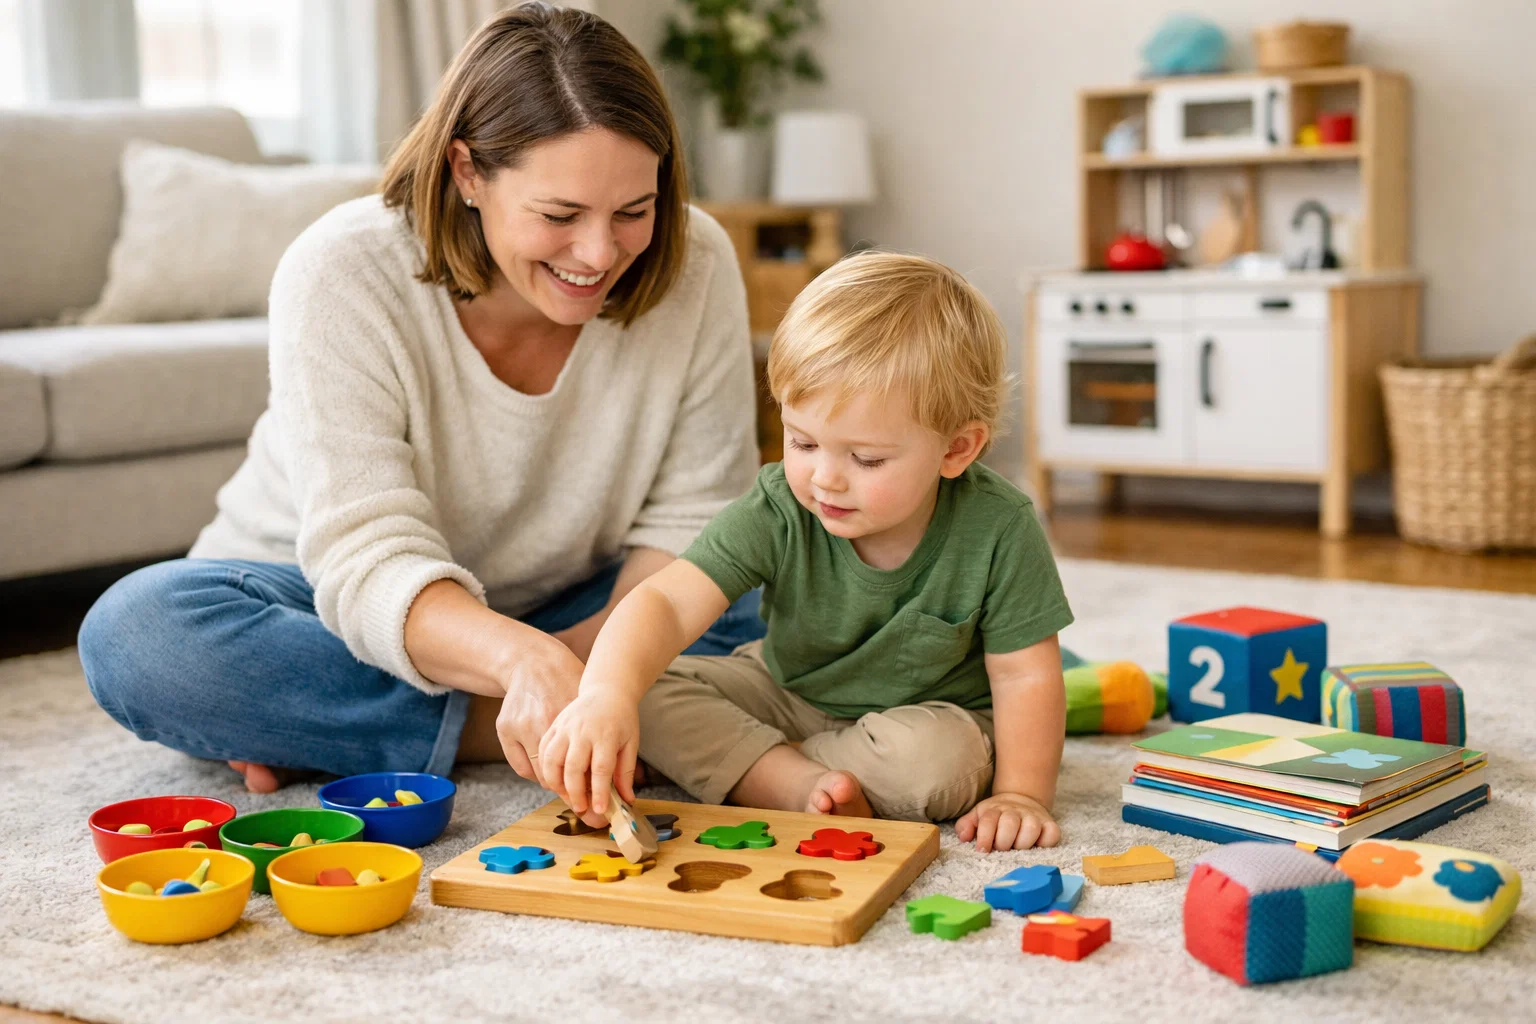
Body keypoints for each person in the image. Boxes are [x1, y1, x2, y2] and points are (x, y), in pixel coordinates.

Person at [78, 2, 763, 810]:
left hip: (581, 605)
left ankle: (347, 733)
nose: (598, 252)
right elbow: (368, 557)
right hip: (331, 603)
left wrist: (599, 670)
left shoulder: (698, 262)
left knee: (765, 586)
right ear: (467, 172)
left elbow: (693, 527)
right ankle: (531, 727)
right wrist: (526, 666)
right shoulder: (342, 268)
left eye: (633, 212)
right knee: (141, 638)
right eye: (559, 215)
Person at [539, 252, 1075, 852]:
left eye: (865, 458)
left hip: (923, 721)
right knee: (644, 688)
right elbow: (666, 602)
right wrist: (608, 695)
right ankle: (795, 780)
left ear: (956, 450)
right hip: (785, 691)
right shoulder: (779, 506)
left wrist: (1021, 794)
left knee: (937, 763)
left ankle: (761, 769)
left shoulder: (1000, 525)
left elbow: (1026, 675)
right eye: (802, 442)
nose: (825, 479)